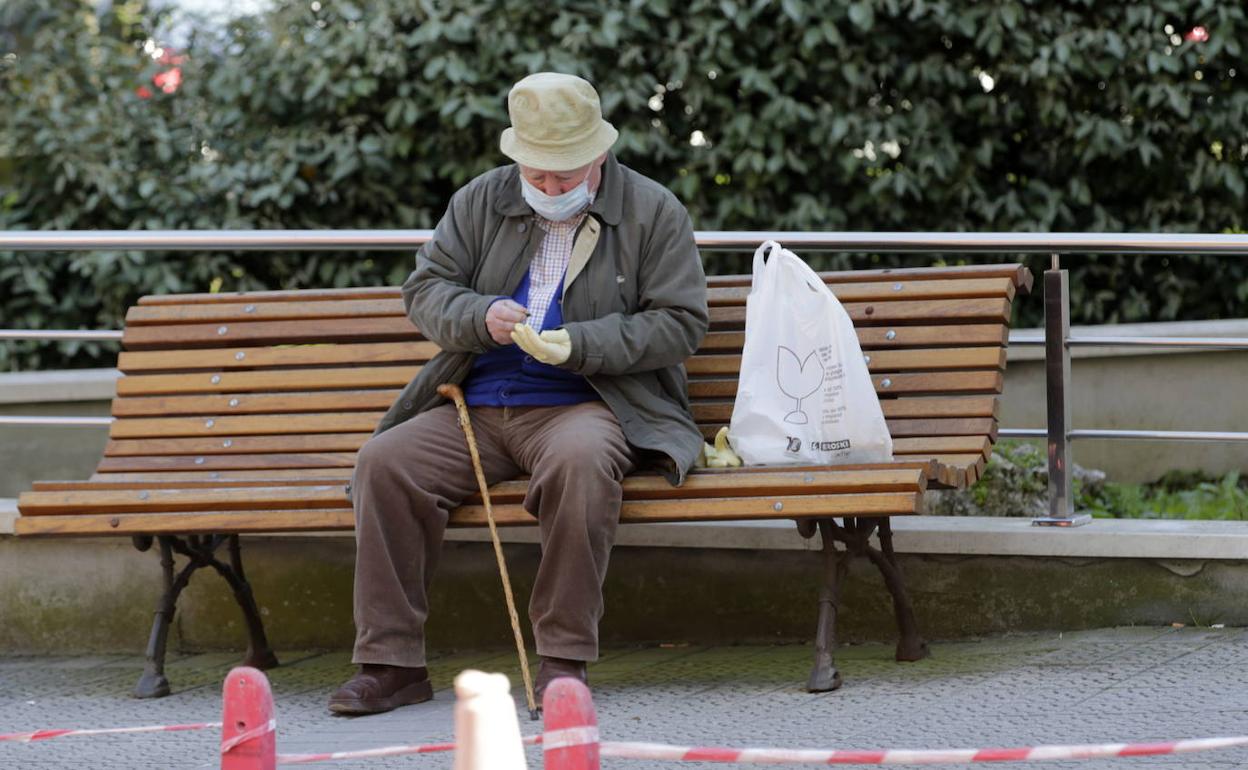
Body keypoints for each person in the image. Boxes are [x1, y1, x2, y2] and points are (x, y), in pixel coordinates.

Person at [329, 72, 714, 715]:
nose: (550, 188)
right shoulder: (481, 200)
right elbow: (425, 292)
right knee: (385, 464)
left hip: (591, 405)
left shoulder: (653, 210)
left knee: (582, 462)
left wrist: (581, 343)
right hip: (476, 406)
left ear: (598, 154)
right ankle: (391, 664)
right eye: (537, 174)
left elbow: (681, 322)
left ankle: (563, 662)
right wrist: (481, 316)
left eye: (565, 174)